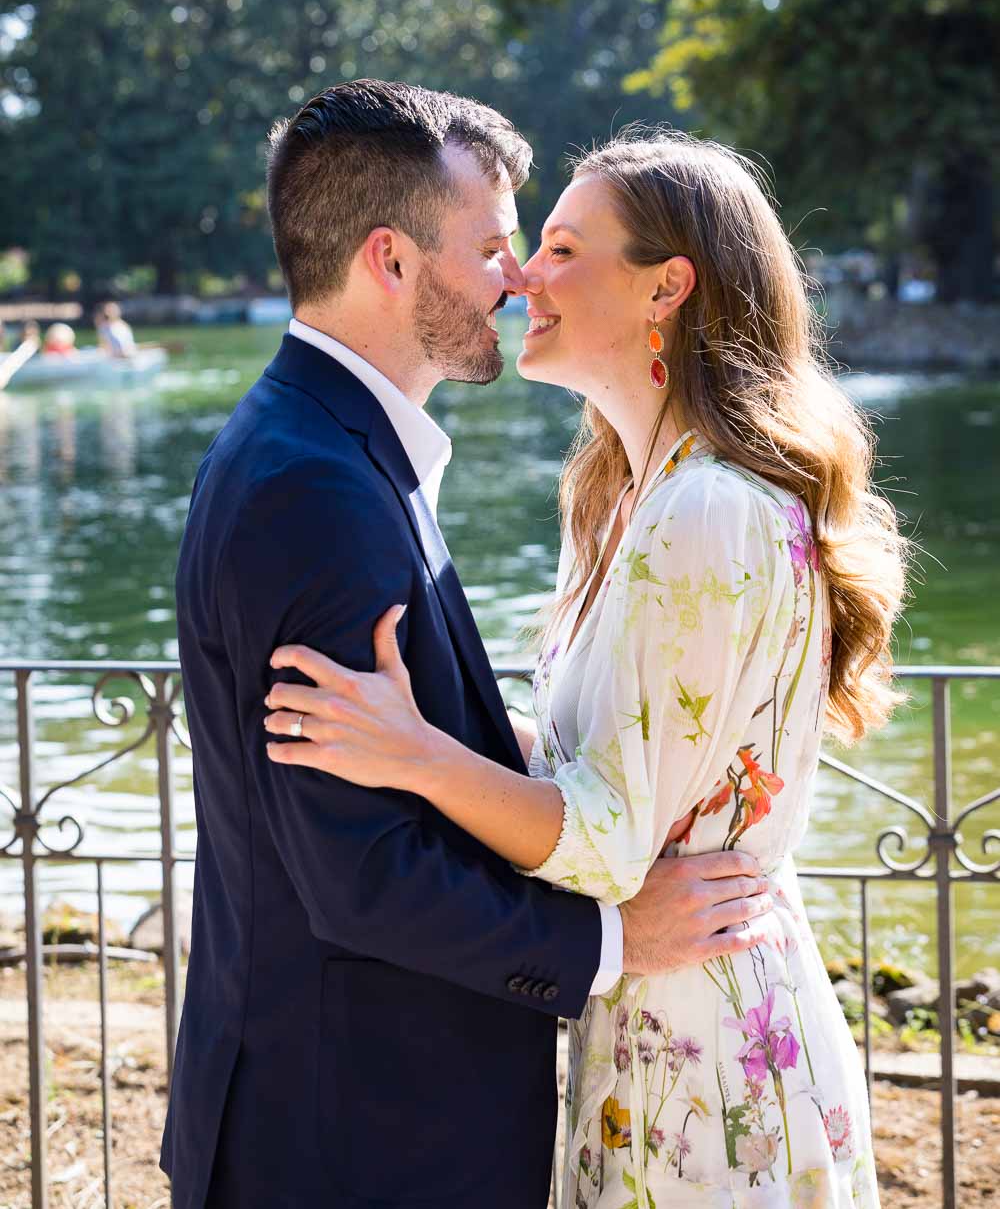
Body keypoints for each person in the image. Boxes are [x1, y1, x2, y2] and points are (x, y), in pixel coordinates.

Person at [264, 129, 908, 1208]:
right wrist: (447, 724)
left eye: (561, 249)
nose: (521, 274)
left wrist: (417, 757)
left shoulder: (704, 511)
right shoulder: (629, 500)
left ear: (667, 288)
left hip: (704, 1055)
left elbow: (607, 842)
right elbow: (615, 768)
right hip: (655, 1025)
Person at [160, 85, 772, 1209]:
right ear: (390, 262)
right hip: (349, 1140)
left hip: (362, 1122)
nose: (517, 277)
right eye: (493, 245)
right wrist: (609, 942)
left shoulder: (333, 453)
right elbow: (357, 876)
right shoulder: (312, 486)